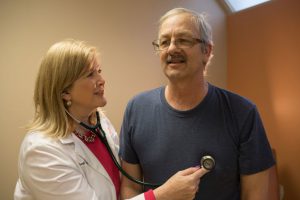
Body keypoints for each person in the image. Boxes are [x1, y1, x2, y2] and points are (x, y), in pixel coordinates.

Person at [14, 39, 209, 200]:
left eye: (99, 70)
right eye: (90, 74)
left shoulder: (98, 122)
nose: (101, 80)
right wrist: (162, 195)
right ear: (64, 91)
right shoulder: (41, 151)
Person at [119, 8, 275, 200]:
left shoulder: (243, 113)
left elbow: (255, 194)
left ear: (207, 51)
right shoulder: (136, 110)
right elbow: (130, 189)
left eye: (183, 40)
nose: (172, 49)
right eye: (164, 42)